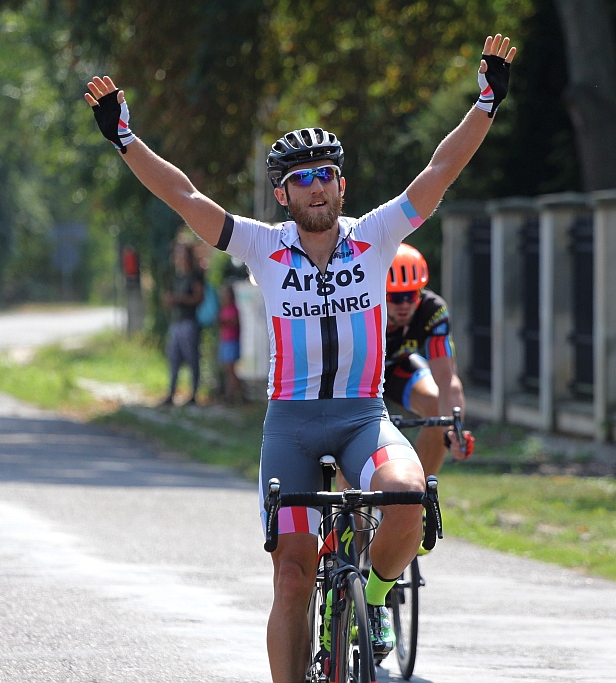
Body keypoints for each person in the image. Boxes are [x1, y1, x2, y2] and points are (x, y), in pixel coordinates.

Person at [84, 33, 515, 683]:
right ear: (283, 195)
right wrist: (124, 139)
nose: (317, 187)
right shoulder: (263, 246)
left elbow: (438, 171)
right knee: (293, 573)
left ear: (342, 185)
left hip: (362, 416)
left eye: (326, 175)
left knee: (407, 495)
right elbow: (184, 196)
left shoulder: (375, 237)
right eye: (301, 179)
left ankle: (372, 598)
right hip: (291, 423)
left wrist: (485, 102)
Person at [385, 243, 475, 478]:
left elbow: (447, 380)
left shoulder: (432, 310)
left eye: (411, 295)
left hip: (397, 368)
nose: (404, 305)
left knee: (437, 407)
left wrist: (452, 433)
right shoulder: (359, 309)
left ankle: (416, 496)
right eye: (395, 297)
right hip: (356, 375)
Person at [161, 242, 204, 406]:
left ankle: (194, 394)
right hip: (176, 322)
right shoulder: (177, 276)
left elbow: (199, 298)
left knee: (192, 359)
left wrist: (179, 299)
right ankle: (171, 393)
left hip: (189, 322)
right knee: (174, 359)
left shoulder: (194, 276)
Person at [217, 283, 244, 404]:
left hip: (232, 341)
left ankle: (236, 394)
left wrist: (224, 322)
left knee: (231, 369)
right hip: (225, 341)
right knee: (228, 370)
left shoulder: (234, 309)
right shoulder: (223, 309)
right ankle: (232, 394)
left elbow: (234, 323)